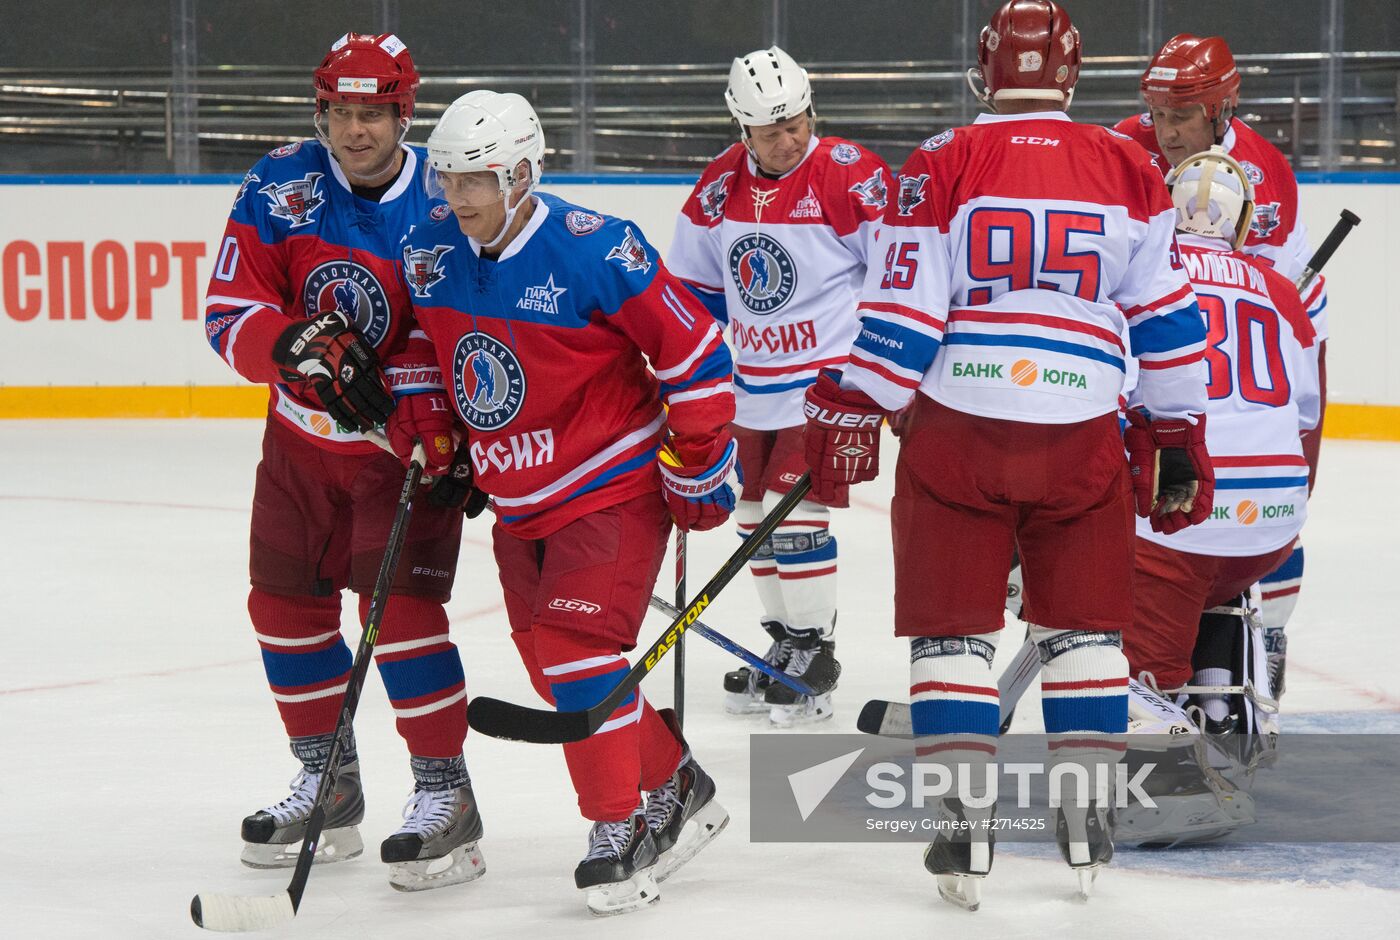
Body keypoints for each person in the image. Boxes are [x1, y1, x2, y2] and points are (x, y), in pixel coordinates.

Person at [801, 0, 1212, 908]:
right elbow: (1171, 324)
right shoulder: (1129, 164)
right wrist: (1178, 431)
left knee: (953, 632)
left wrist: (850, 401)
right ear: (1072, 73)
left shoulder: (943, 160)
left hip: (960, 434)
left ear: (985, 69)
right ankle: (1088, 814)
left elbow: (905, 319)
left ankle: (963, 824)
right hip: (1081, 437)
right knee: (1085, 630)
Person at [398, 89, 735, 916]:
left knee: (577, 646)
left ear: (520, 173)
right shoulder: (431, 246)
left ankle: (617, 828)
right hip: (519, 498)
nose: (457, 198)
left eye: (475, 180)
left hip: (610, 484)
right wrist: (434, 429)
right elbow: (418, 345)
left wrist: (697, 465)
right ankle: (677, 782)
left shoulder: (598, 250)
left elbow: (695, 355)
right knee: (553, 666)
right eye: (447, 179)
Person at [202, 33, 485, 892]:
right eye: (341, 112)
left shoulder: (447, 197)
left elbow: (470, 327)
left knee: (397, 616)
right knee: (282, 607)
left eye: (374, 113)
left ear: (405, 113)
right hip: (296, 447)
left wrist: (425, 411)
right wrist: (292, 341)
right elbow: (225, 306)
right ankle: (330, 780)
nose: (355, 131)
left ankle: (448, 798)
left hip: (402, 457)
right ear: (320, 109)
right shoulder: (279, 181)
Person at [668, 46, 891, 726]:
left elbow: (898, 274)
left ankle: (817, 651)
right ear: (742, 129)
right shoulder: (718, 187)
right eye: (772, 131)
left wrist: (877, 377)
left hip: (826, 386)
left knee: (794, 518)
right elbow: (694, 290)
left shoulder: (851, 176)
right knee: (750, 520)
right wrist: (678, 371)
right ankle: (787, 645)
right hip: (749, 388)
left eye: (797, 121)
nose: (789, 138)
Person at [1114, 34, 1329, 692]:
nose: (1166, 131)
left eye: (1181, 116)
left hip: (1225, 358)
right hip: (1169, 348)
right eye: (1158, 114)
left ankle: (1266, 633)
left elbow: (1290, 318)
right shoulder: (1122, 147)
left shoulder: (1271, 171)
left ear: (1223, 110)